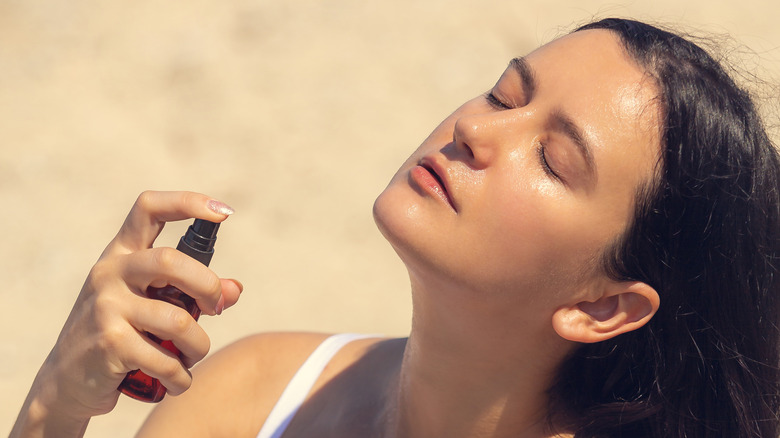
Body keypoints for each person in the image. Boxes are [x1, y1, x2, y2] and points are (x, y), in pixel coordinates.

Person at [10, 17, 780, 438]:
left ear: (603, 306)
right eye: (505, 95)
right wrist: (57, 406)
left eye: (551, 158)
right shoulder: (248, 399)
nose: (479, 131)